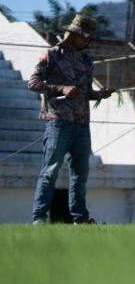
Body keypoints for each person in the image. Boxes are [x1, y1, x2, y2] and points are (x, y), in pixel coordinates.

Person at [27, 14, 114, 225]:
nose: (88, 41)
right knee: (50, 171)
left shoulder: (86, 60)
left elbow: (83, 92)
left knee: (80, 175)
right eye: (85, 37)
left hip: (82, 124)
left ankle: (80, 218)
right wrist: (61, 88)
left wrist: (98, 94)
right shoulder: (51, 55)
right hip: (58, 121)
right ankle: (39, 217)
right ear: (73, 35)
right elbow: (33, 83)